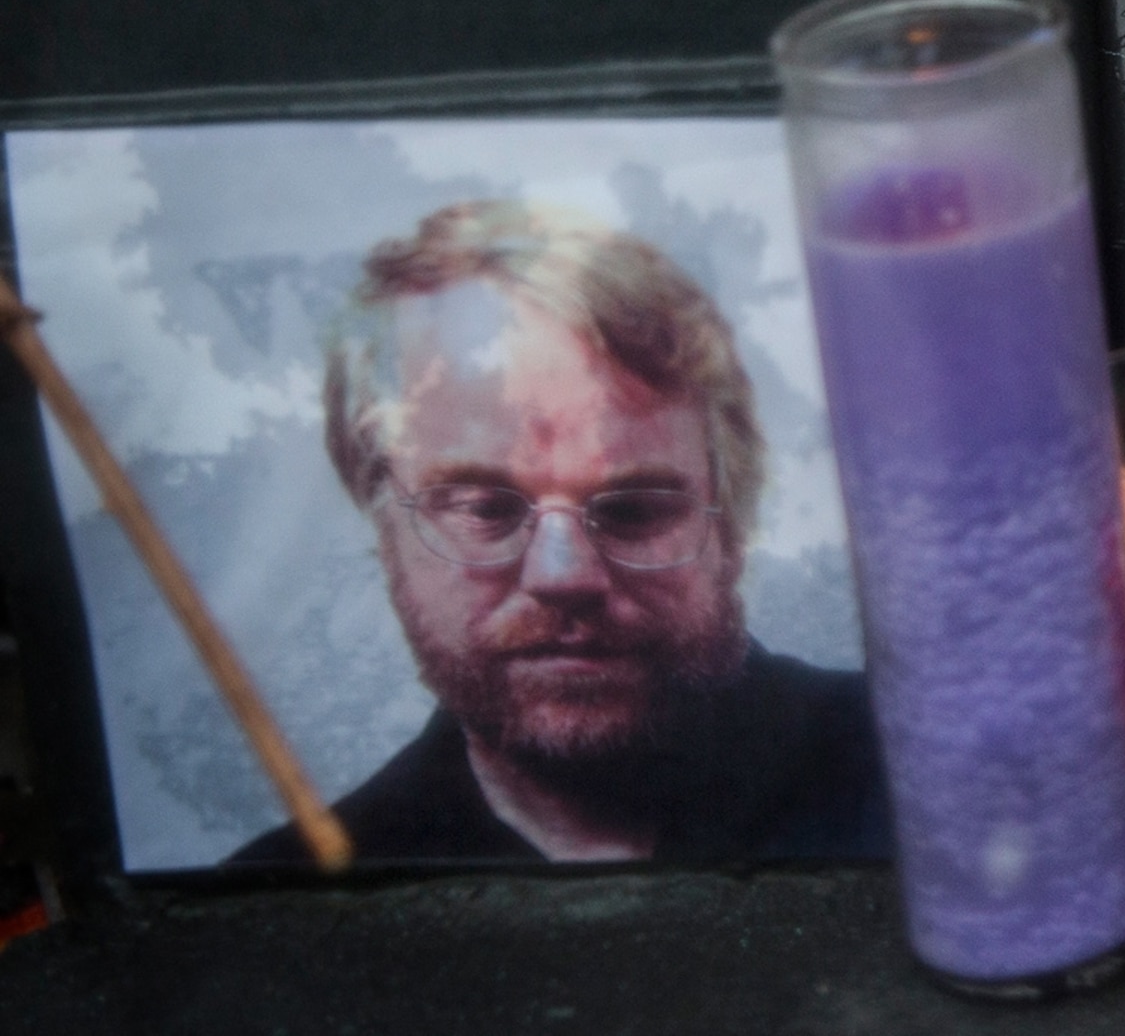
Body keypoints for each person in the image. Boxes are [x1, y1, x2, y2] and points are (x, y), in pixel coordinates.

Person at [230, 202, 885, 866]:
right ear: (384, 530)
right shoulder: (280, 899)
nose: (564, 574)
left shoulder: (931, 771)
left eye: (633, 510)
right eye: (486, 508)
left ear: (733, 527)